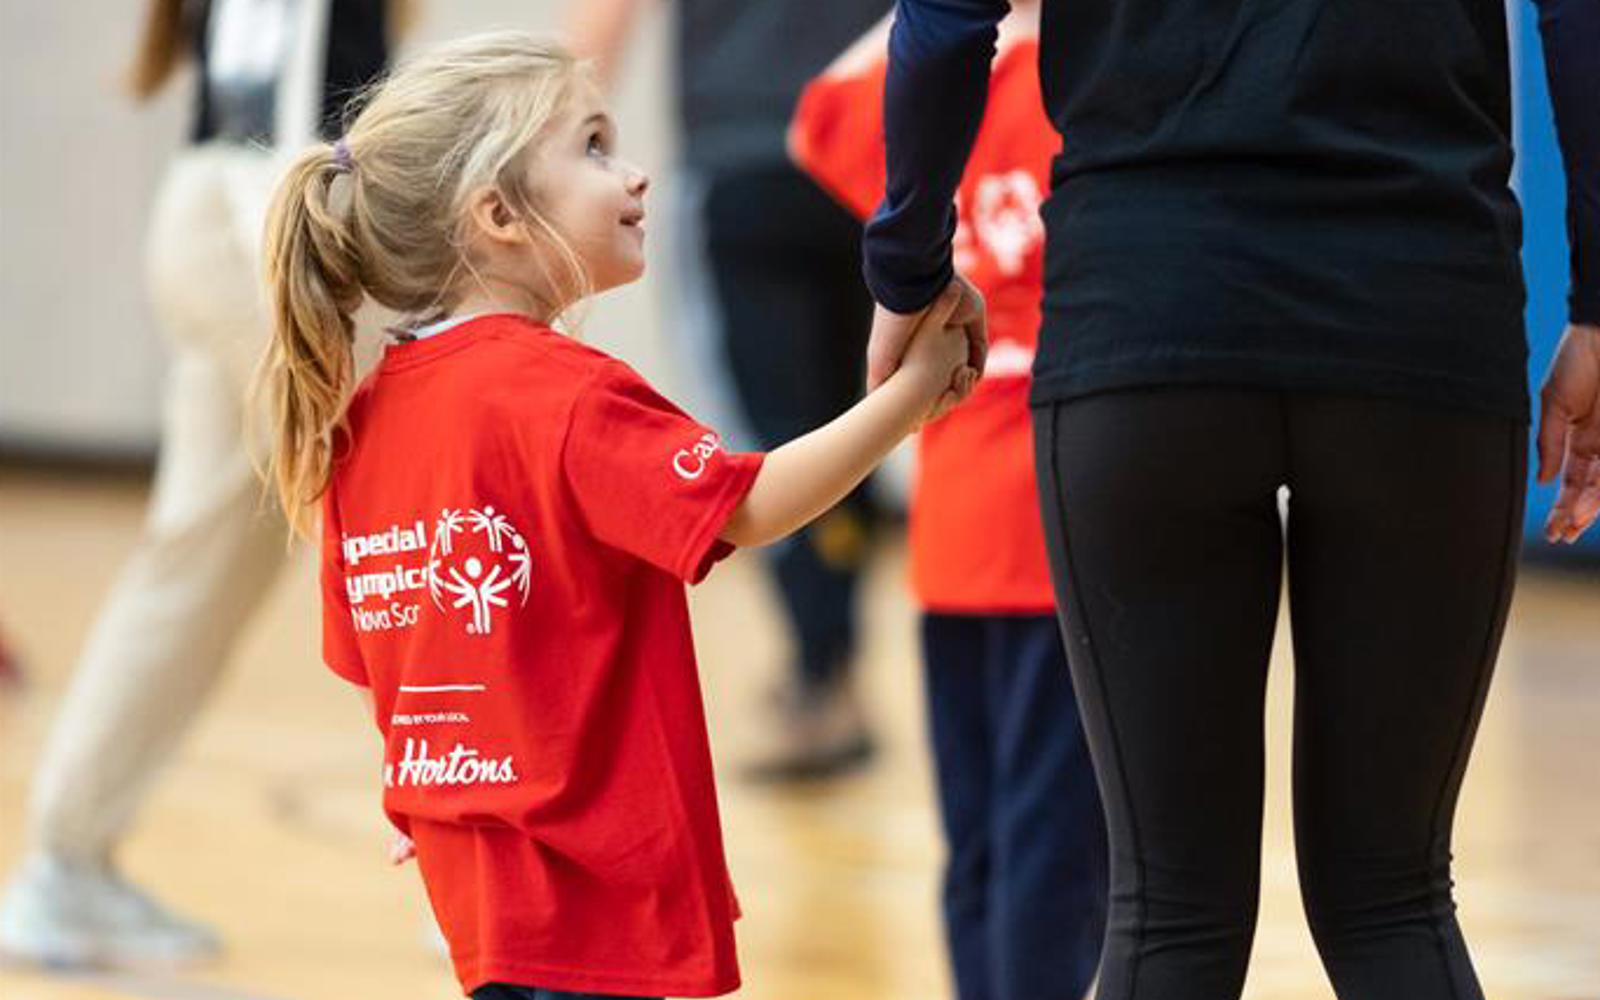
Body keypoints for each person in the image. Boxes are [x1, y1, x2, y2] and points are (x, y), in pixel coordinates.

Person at [859, 0, 1599, 998]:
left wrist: (907, 264)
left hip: (1146, 310)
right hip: (1415, 310)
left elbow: (944, 21)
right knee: (1393, 898)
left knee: (1167, 913)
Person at [256, 32, 979, 998]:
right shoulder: (562, 393)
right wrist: (911, 398)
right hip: (596, 902)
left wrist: (429, 781)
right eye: (594, 148)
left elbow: (370, 657)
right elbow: (749, 506)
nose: (635, 175)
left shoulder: (370, 418)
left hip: (478, 901)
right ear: (498, 214)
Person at [0, 0, 399, 968]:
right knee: (396, 546)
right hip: (272, 223)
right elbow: (301, 95)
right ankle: (498, 889)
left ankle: (65, 869)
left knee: (200, 567)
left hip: (214, 209)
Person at [789, 6, 1104, 998]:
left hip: (956, 538)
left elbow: (813, 118)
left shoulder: (942, 112)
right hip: (1067, 529)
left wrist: (945, 18)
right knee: (1052, 850)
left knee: (978, 845)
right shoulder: (1097, 89)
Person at [566, 0, 892, 780]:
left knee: (769, 433)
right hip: (869, 152)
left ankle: (823, 676)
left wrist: (550, 147)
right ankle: (831, 664)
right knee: (860, 417)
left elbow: (604, 18)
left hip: (744, 162)